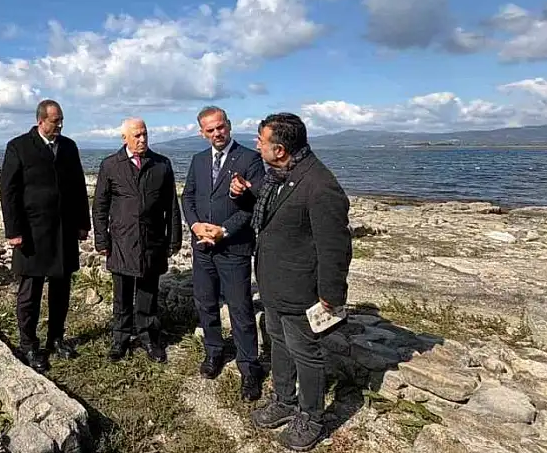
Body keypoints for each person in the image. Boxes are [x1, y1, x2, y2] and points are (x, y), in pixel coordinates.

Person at [230, 113, 352, 452]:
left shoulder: (320, 184)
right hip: (273, 283)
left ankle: (311, 418)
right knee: (279, 343)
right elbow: (275, 213)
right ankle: (284, 401)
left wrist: (331, 295)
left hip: (302, 291)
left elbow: (336, 247)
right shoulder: (281, 175)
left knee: (306, 353)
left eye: (261, 141)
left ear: (280, 149)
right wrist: (244, 194)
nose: (256, 145)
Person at [180, 105, 267, 400]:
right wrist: (195, 226)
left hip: (234, 248)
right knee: (205, 303)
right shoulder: (198, 160)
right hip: (202, 247)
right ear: (202, 133)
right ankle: (214, 352)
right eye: (210, 130)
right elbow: (188, 196)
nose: (217, 133)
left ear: (229, 125)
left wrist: (224, 231)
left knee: (241, 310)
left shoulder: (250, 159)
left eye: (221, 127)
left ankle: (249, 368)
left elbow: (254, 205)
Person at [0, 99, 92, 373]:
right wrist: (14, 231)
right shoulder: (18, 146)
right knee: (30, 292)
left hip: (64, 231)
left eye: (62, 120)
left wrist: (82, 223)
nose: (60, 125)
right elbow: (9, 191)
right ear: (41, 121)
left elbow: (78, 187)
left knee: (61, 290)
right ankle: (29, 344)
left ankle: (56, 338)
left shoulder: (69, 147)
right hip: (32, 233)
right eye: (55, 121)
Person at [92, 117, 182, 362]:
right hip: (121, 241)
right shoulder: (110, 165)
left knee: (148, 293)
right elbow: (100, 205)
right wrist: (102, 240)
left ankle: (149, 338)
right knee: (121, 295)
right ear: (125, 138)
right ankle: (119, 339)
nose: (142, 139)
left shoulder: (161, 164)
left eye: (145, 134)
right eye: (137, 136)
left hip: (152, 241)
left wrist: (174, 239)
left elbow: (171, 206)